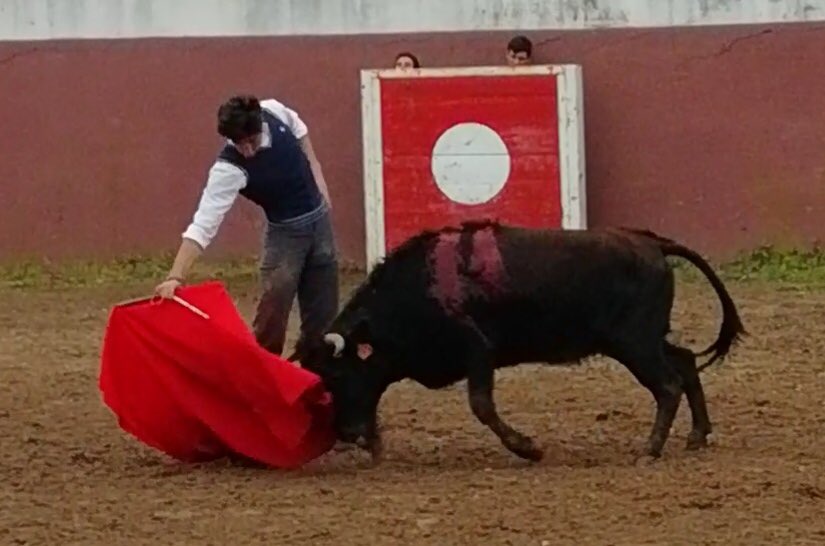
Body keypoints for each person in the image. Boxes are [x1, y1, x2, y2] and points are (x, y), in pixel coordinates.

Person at [154, 94, 339, 357]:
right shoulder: (228, 169)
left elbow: (300, 130)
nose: (248, 151)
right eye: (239, 144)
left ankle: (319, 372)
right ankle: (262, 371)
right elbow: (203, 224)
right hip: (285, 238)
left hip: (321, 224)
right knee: (273, 311)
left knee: (324, 312)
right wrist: (176, 275)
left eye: (251, 141)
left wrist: (318, 176)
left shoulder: (274, 111)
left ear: (260, 124)